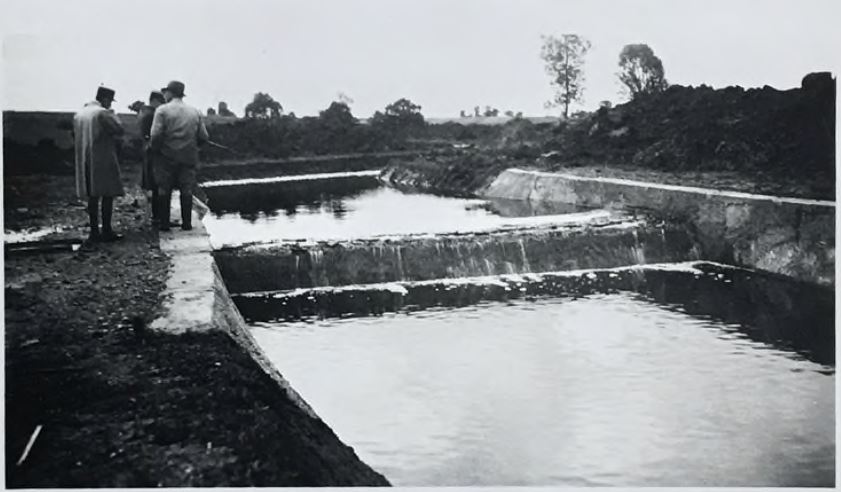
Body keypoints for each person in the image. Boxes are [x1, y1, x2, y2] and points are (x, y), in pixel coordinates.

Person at [150, 80, 209, 231]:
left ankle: (164, 224)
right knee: (186, 189)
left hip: (166, 157)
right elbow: (204, 137)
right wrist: (194, 148)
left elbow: (155, 135)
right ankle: (187, 223)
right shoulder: (194, 111)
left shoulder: (162, 111)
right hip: (188, 157)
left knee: (164, 190)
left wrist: (155, 150)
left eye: (166, 92)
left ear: (170, 93)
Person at [73, 86, 125, 241]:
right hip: (102, 157)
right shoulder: (102, 113)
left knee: (92, 195)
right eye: (110, 102)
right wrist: (114, 115)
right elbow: (118, 129)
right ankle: (107, 230)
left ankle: (94, 231)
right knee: (107, 194)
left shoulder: (80, 114)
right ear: (105, 99)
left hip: (84, 157)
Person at [137, 90, 166, 225]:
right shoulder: (151, 114)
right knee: (156, 184)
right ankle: (157, 216)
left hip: (148, 152)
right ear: (155, 100)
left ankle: (156, 215)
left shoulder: (144, 112)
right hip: (154, 153)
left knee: (153, 185)